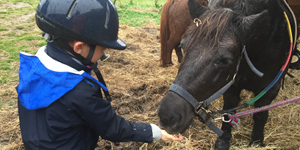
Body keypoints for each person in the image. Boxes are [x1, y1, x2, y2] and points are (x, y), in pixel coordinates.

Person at [16, 0, 183, 149]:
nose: (105, 52)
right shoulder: (80, 92)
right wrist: (155, 132)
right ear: (79, 47)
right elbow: (114, 129)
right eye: (102, 47)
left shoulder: (31, 68)